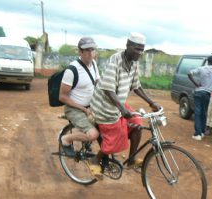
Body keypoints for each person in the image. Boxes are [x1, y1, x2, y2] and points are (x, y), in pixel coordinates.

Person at [90, 32, 161, 168]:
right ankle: (95, 159)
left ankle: (131, 160)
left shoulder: (133, 63)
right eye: (137, 49)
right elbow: (108, 89)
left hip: (118, 105)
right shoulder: (114, 61)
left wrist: (151, 102)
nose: (140, 52)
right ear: (128, 45)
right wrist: (122, 109)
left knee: (137, 124)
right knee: (118, 138)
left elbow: (136, 86)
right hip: (105, 106)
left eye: (142, 49)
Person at [58, 37, 102, 177]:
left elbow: (97, 84)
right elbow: (62, 97)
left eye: (92, 50)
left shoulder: (94, 64)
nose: (90, 53)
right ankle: (65, 139)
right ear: (80, 52)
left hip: (90, 107)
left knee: (108, 126)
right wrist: (83, 109)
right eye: (87, 50)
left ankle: (100, 156)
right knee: (93, 134)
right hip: (75, 109)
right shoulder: (72, 70)